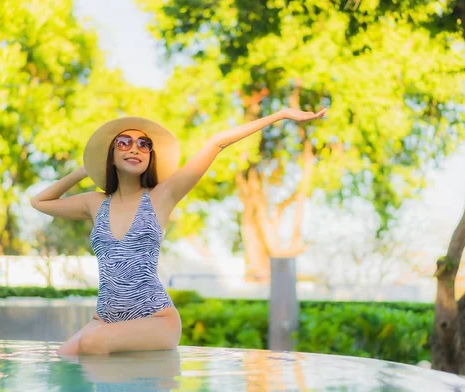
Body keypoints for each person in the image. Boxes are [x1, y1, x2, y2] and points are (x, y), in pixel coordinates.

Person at [30, 108, 327, 356]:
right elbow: (39, 201)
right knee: (63, 357)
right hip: (106, 318)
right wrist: (85, 169)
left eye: (144, 144)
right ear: (111, 155)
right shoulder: (94, 204)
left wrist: (281, 115)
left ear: (150, 156)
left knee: (93, 342)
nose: (135, 148)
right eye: (123, 142)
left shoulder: (162, 196)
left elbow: (216, 143)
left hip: (157, 320)